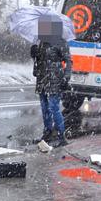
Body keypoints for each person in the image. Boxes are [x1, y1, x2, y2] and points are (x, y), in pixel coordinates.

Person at [31, 16, 73, 149]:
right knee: (44, 107)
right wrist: (34, 53)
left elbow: (68, 61)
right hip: (42, 77)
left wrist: (66, 76)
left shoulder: (60, 42)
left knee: (54, 107)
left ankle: (61, 135)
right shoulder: (41, 41)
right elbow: (39, 58)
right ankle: (47, 132)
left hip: (55, 78)